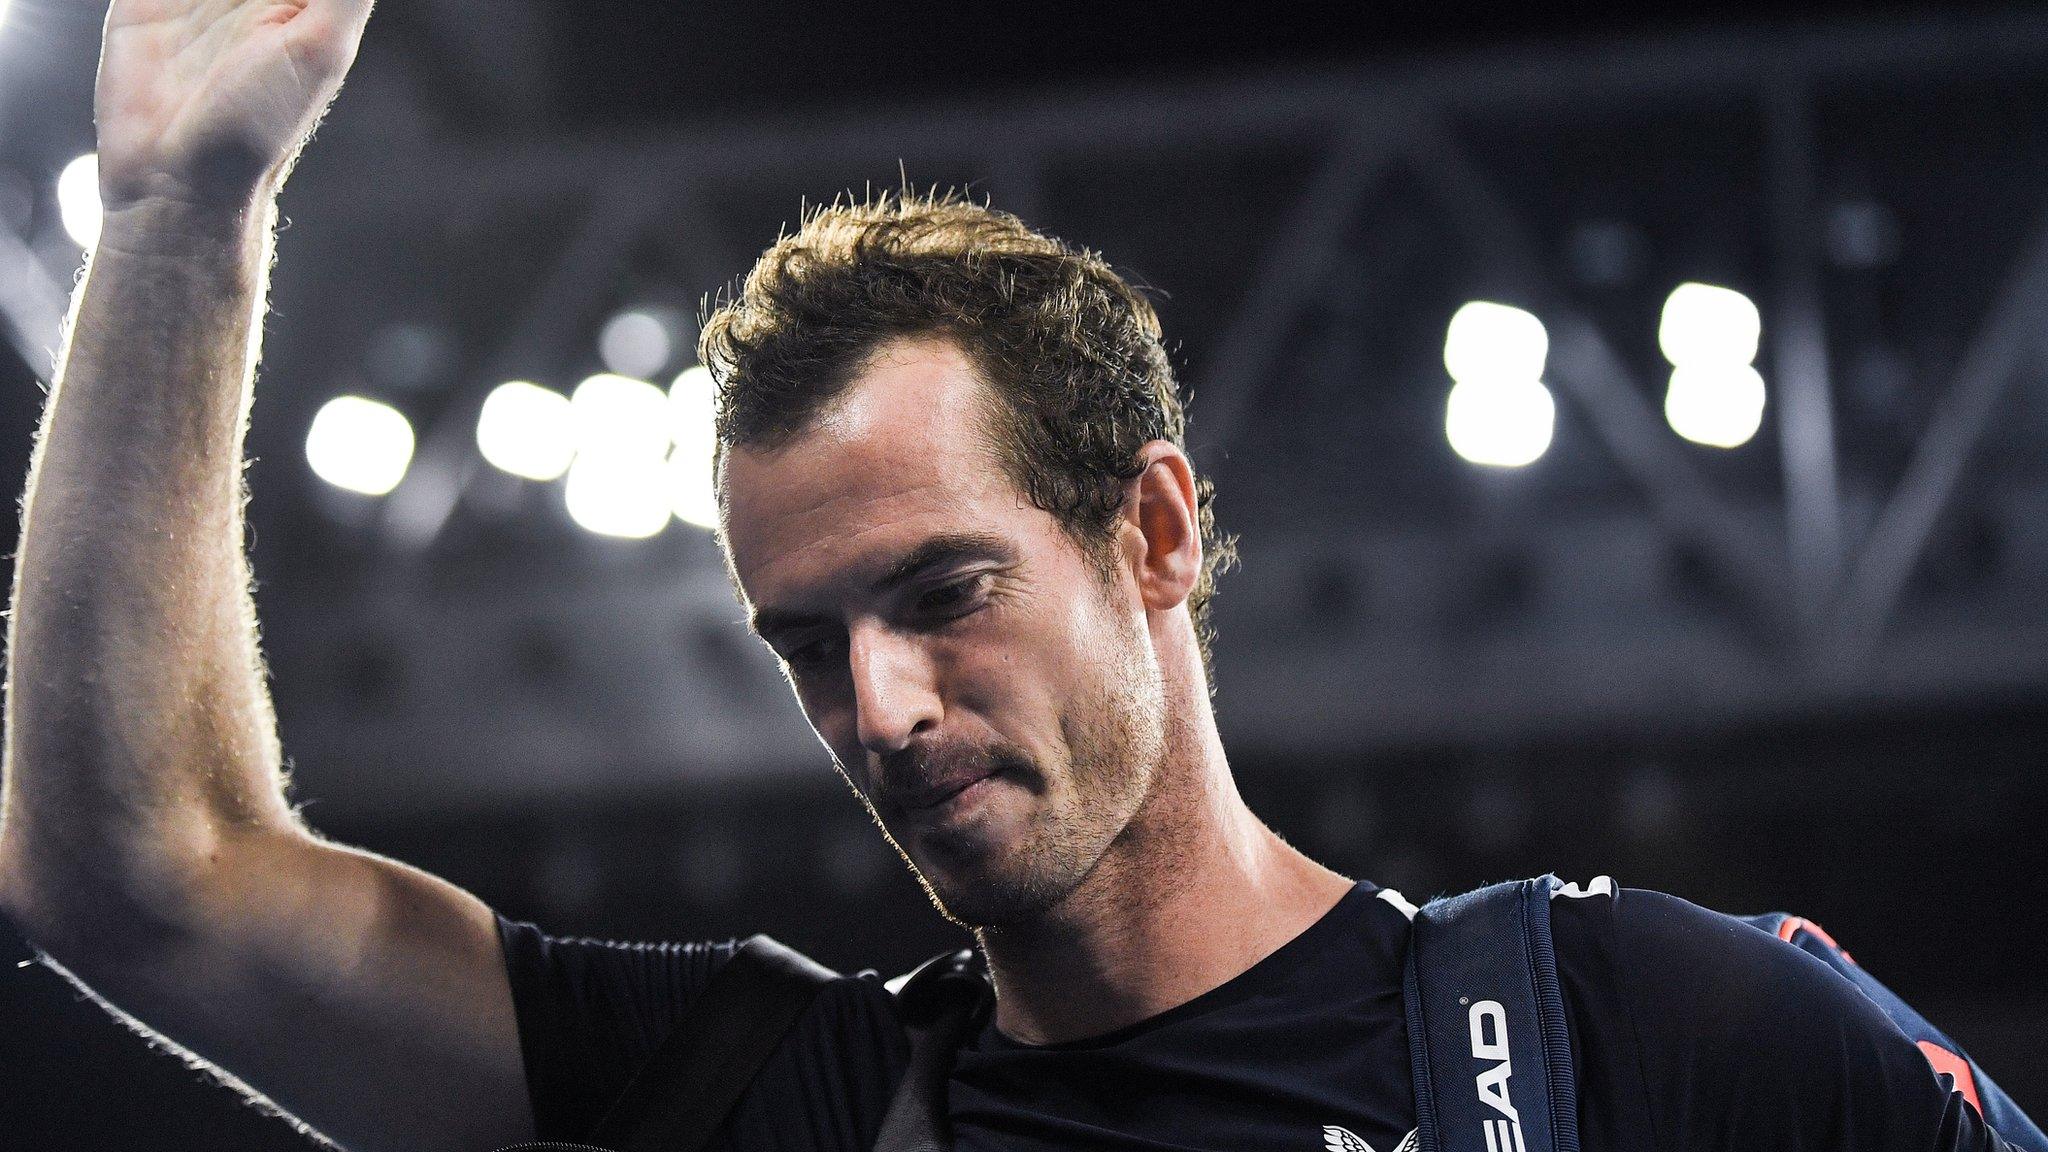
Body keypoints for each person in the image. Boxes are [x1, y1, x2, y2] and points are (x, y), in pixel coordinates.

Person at [0, 4, 2028, 1152]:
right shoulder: (768, 1104)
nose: (876, 714)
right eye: (806, 645)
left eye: (939, 594)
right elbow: (142, 876)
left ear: (1147, 532)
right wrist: (183, 218)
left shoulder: (1638, 1030)